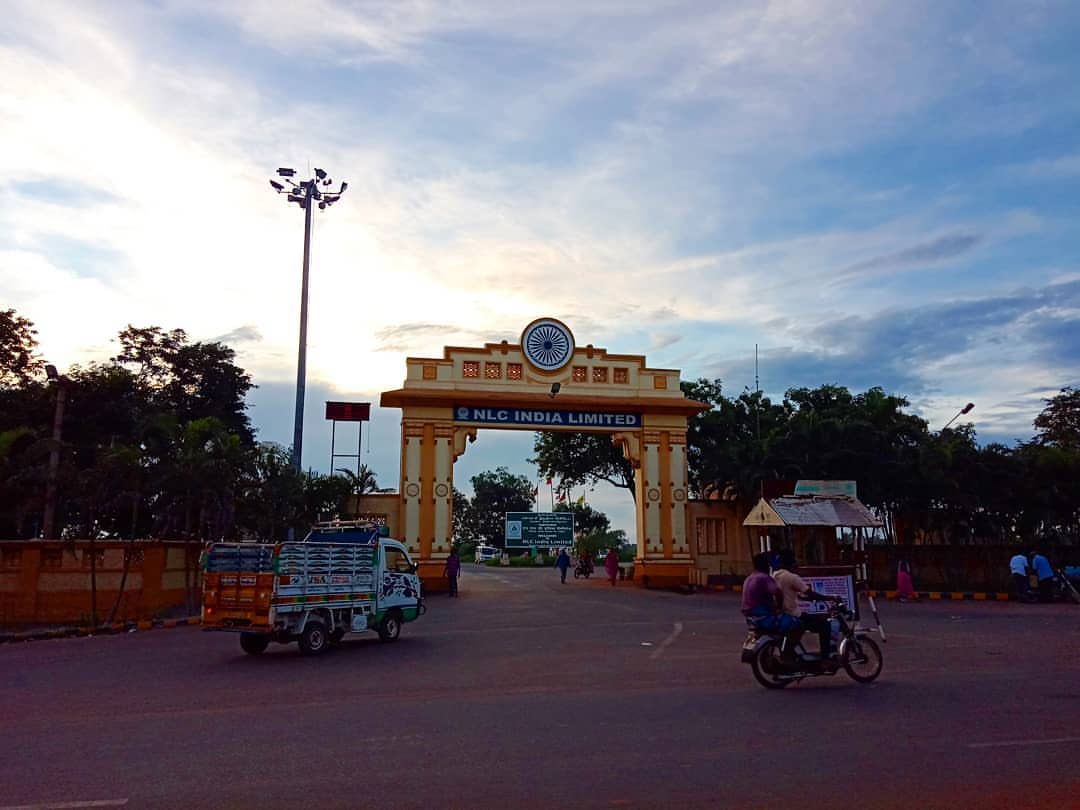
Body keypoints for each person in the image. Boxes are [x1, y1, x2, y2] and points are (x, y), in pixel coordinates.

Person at [773, 548, 841, 662]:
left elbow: (791, 593)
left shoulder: (775, 575)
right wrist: (831, 597)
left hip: (782, 614)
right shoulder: (792, 577)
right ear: (791, 561)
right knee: (824, 625)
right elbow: (810, 593)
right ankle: (825, 659)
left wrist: (805, 598)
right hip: (794, 614)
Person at [741, 552, 798, 642]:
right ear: (765, 565)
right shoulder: (764, 578)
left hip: (751, 618)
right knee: (796, 623)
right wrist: (779, 608)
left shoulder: (749, 578)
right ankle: (787, 650)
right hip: (764, 617)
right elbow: (777, 592)